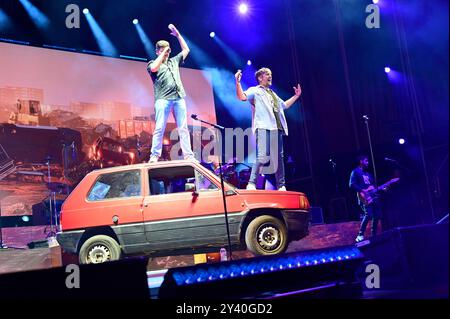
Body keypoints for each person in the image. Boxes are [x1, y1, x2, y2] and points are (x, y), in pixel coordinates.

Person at [235, 68, 301, 191]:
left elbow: (284, 105)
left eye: (271, 74)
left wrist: (296, 96)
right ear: (260, 78)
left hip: (277, 128)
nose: (270, 76)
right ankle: (252, 183)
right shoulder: (255, 90)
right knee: (262, 156)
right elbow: (241, 97)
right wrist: (238, 82)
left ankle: (281, 185)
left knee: (278, 158)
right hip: (263, 126)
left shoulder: (273, 94)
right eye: (267, 74)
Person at [147, 24, 194, 163]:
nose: (166, 52)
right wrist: (163, 53)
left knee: (183, 128)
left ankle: (189, 156)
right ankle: (154, 156)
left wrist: (178, 35)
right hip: (163, 99)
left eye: (167, 49)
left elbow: (186, 49)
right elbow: (154, 68)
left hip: (179, 98)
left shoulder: (174, 61)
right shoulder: (152, 63)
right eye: (161, 49)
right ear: (157, 51)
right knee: (160, 127)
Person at [349, 155, 383, 242]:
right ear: (361, 161)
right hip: (364, 197)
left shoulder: (368, 174)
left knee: (377, 215)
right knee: (369, 215)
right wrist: (362, 191)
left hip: (373, 197)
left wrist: (382, 188)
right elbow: (351, 184)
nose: (368, 162)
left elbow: (373, 186)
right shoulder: (355, 172)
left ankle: (373, 235)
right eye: (366, 161)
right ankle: (360, 235)